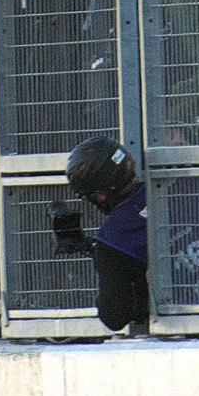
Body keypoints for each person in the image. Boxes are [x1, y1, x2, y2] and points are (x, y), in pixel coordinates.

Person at [59, 135, 148, 332]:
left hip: (189, 324)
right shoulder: (182, 189)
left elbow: (115, 317)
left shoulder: (112, 240)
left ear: (100, 195)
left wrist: (103, 257)